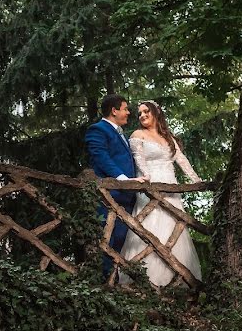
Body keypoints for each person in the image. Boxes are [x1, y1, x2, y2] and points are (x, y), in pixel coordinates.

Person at [118, 100, 203, 286]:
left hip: (171, 187)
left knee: (174, 225)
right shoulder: (138, 134)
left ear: (156, 113)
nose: (142, 116)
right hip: (151, 185)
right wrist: (147, 179)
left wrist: (196, 180)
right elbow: (139, 159)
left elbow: (181, 160)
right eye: (139, 113)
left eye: (146, 111)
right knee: (151, 225)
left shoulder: (168, 138)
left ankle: (177, 279)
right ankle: (147, 280)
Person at [85, 94, 148, 278]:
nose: (129, 113)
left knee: (121, 241)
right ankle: (106, 285)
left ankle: (115, 281)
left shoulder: (121, 134)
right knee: (107, 239)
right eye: (126, 109)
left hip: (125, 197)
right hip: (109, 195)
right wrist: (123, 179)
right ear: (114, 111)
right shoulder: (98, 130)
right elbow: (101, 156)